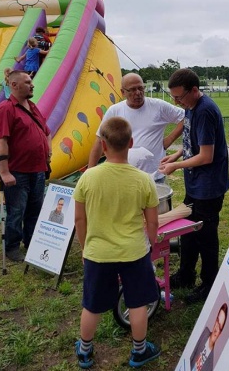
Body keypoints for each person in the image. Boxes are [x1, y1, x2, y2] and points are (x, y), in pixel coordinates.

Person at [74, 116, 161, 369]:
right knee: (137, 302)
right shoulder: (144, 180)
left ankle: (85, 352)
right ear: (131, 143)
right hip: (134, 252)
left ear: (102, 145)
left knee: (91, 304)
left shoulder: (88, 178)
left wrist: (84, 248)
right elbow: (152, 223)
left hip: (97, 253)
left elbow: (80, 219)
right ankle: (140, 351)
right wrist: (151, 243)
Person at [159, 69, 229, 303]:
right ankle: (186, 274)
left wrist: (175, 167)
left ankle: (209, 284)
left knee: (206, 237)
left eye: (179, 97)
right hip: (195, 184)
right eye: (173, 97)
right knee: (187, 230)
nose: (176, 102)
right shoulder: (190, 108)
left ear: (194, 91)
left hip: (209, 187)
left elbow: (206, 156)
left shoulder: (206, 111)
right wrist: (175, 155)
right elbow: (192, 141)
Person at [0, 70, 52, 262]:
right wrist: (4, 173)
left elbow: (46, 131)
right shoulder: (5, 109)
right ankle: (12, 246)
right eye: (28, 82)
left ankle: (31, 242)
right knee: (16, 211)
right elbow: (1, 141)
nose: (32, 85)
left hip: (38, 170)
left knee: (36, 209)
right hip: (18, 172)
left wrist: (48, 153)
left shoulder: (32, 106)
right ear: (14, 85)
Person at [88, 72, 184, 182]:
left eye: (141, 88)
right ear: (123, 92)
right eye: (132, 90)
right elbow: (100, 141)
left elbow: (186, 118)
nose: (138, 93)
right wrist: (90, 173)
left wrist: (169, 140)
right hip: (123, 177)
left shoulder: (158, 106)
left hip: (154, 177)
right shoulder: (115, 111)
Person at [190, 303, 228, 371]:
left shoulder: (212, 362)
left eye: (220, 327)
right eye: (217, 321)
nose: (216, 329)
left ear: (221, 332)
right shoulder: (204, 333)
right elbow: (190, 354)